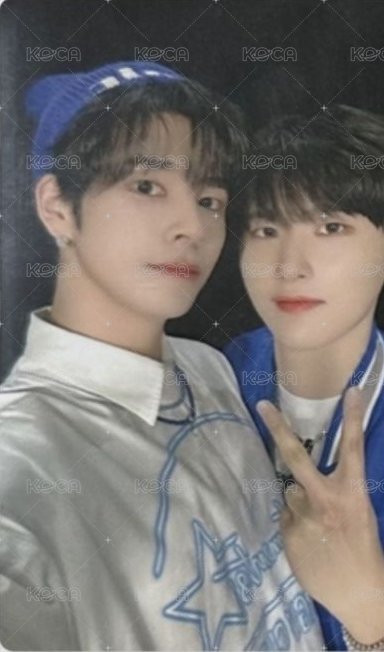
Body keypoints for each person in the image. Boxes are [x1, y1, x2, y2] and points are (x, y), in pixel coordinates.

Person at [0, 61, 324, 650]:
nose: (192, 226)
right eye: (147, 186)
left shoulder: (208, 367)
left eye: (209, 199)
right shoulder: (22, 464)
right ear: (57, 207)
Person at [224, 104, 384, 650]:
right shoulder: (208, 379)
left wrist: (370, 603)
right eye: (266, 229)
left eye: (331, 227)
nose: (290, 265)